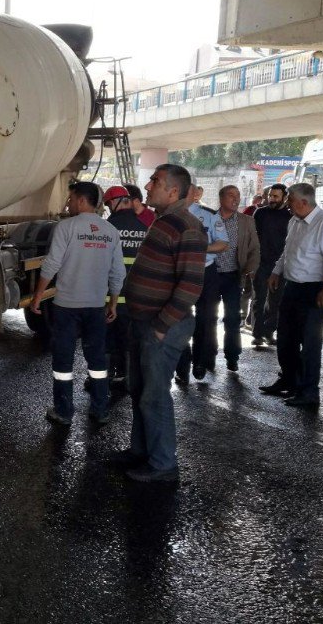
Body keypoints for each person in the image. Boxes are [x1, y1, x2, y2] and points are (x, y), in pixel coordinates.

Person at [110, 164, 205, 482]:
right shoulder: (163, 221)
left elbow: (191, 284)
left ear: (174, 191)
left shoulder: (187, 226)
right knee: (138, 389)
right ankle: (141, 451)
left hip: (160, 326)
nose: (148, 186)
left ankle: (163, 464)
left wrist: (163, 325)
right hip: (142, 322)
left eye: (155, 181)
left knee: (154, 395)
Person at [30, 181, 126, 426]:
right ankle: (100, 409)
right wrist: (113, 302)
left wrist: (38, 296)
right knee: (97, 361)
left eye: (71, 198)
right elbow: (118, 271)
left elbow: (51, 264)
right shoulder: (110, 231)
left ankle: (64, 412)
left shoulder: (66, 227)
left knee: (63, 361)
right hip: (95, 306)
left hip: (66, 307)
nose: (68, 203)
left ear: (82, 200)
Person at [260, 183, 323, 407]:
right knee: (286, 338)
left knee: (310, 342)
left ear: (304, 202)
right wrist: (277, 271)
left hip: (316, 290)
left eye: (290, 201)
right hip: (293, 287)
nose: (288, 205)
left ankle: (309, 392)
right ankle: (290, 380)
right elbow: (287, 251)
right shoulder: (294, 221)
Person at [175, 184, 229, 382]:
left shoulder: (209, 215)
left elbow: (223, 242)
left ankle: (200, 362)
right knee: (179, 318)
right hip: (179, 273)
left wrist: (200, 249)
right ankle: (182, 365)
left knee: (206, 319)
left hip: (206, 272)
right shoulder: (171, 215)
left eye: (191, 191)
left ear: (196, 194)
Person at [103, 185, 150, 388]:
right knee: (128, 340)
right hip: (134, 299)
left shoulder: (107, 229)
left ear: (116, 202)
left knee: (105, 340)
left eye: (108, 203)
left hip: (109, 299)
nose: (108, 207)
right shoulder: (145, 228)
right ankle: (125, 375)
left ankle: (101, 376)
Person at [213, 185, 260, 372]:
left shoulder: (246, 221)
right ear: (221, 198)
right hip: (210, 275)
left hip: (233, 276)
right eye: (231, 195)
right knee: (207, 317)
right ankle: (205, 356)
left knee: (232, 318)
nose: (236, 199)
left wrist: (250, 269)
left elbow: (254, 248)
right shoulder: (209, 219)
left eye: (238, 195)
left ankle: (232, 356)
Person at [251, 184, 292, 348]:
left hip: (281, 265)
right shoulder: (260, 213)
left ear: (284, 197)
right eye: (270, 196)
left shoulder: (290, 217)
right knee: (258, 299)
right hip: (261, 264)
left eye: (276, 196)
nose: (272, 199)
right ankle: (257, 334)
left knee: (276, 300)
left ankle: (269, 331)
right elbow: (252, 238)